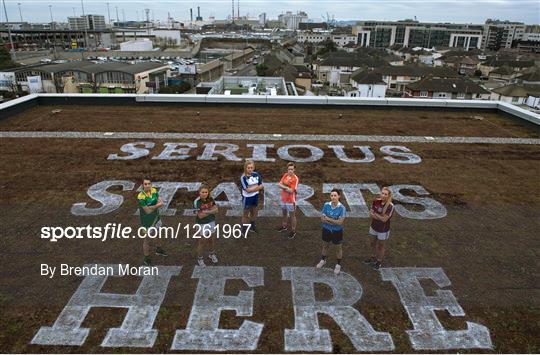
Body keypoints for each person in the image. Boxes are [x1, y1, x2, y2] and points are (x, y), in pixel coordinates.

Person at [316, 189, 346, 275]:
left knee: (338, 248)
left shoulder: (342, 208)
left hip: (337, 231)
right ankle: (323, 260)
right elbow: (322, 219)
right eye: (332, 195)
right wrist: (334, 221)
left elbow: (340, 222)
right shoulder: (326, 205)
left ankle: (338, 264)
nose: (333, 197)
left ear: (339, 196)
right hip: (326, 229)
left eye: (335, 195)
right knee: (325, 246)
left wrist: (328, 219)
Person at [137, 178, 167, 266]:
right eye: (145, 184)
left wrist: (152, 206)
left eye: (149, 183)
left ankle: (158, 249)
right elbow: (147, 211)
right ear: (142, 185)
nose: (147, 185)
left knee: (158, 233)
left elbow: (161, 202)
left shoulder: (154, 191)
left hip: (156, 218)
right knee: (147, 239)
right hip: (147, 222)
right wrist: (156, 206)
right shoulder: (141, 196)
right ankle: (147, 259)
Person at [364, 187, 395, 270]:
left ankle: (379, 261)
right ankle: (373, 257)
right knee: (372, 244)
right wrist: (380, 215)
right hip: (373, 227)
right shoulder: (376, 201)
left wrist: (376, 214)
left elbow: (384, 219)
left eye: (386, 194)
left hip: (383, 230)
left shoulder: (390, 206)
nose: (383, 195)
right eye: (382, 193)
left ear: (388, 196)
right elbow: (370, 214)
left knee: (381, 246)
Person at [194, 184, 219, 267]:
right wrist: (211, 210)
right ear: (199, 193)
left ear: (208, 193)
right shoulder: (197, 202)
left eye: (206, 192)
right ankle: (200, 258)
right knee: (202, 242)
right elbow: (200, 216)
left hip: (211, 222)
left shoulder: (211, 199)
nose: (204, 194)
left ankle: (212, 254)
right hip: (202, 224)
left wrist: (206, 211)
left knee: (211, 240)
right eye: (202, 192)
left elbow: (216, 210)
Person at [240, 160, 264, 234]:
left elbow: (262, 185)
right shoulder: (243, 177)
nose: (250, 169)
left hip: (255, 197)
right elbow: (248, 190)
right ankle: (244, 229)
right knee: (245, 214)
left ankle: (252, 226)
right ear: (245, 168)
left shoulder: (256, 174)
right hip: (247, 198)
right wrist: (257, 188)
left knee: (254, 212)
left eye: (251, 167)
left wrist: (253, 189)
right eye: (248, 168)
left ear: (253, 168)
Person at [277, 162, 299, 239]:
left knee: (292, 216)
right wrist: (287, 187)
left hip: (290, 200)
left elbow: (291, 191)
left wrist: (284, 187)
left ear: (294, 170)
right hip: (283, 199)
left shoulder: (295, 178)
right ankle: (284, 226)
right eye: (289, 169)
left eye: (292, 169)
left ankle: (293, 231)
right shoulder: (285, 175)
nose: (290, 171)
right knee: (284, 213)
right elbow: (279, 184)